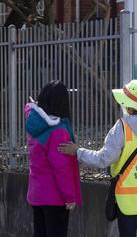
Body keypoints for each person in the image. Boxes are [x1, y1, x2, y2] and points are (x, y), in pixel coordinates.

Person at [58, 79, 137, 237]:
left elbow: (104, 159)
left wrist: (78, 151)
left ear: (129, 106)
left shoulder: (121, 128)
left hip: (126, 199)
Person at [25, 80, 82, 237]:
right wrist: (69, 196)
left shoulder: (34, 124)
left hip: (37, 193)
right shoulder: (58, 131)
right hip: (55, 197)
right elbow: (61, 168)